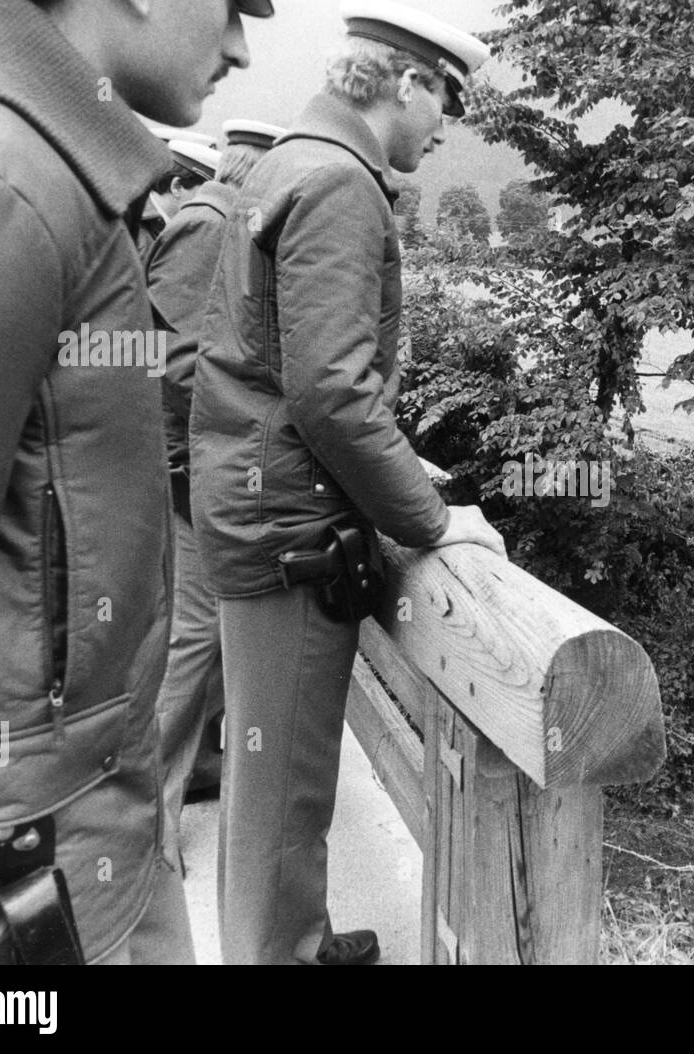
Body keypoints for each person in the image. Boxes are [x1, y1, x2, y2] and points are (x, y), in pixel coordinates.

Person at [0, 0, 271, 966]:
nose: (240, 43)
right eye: (235, 5)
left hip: (56, 854)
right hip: (3, 898)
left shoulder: (35, 167)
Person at [189, 0, 504, 965]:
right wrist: (429, 518)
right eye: (446, 98)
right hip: (289, 528)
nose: (448, 124)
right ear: (405, 81)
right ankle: (278, 954)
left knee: (264, 768)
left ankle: (298, 934)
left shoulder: (283, 159)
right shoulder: (339, 184)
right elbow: (330, 388)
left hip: (249, 504)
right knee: (285, 782)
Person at [147, 119, 284, 886]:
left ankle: (195, 767)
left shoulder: (217, 219)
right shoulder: (212, 226)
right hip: (187, 468)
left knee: (209, 630)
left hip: (191, 464)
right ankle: (149, 821)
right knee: (196, 635)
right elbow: (172, 363)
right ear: (251, 168)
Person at [137, 138, 221, 260]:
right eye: (205, 194)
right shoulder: (135, 229)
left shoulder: (155, 223)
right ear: (177, 187)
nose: (209, 206)